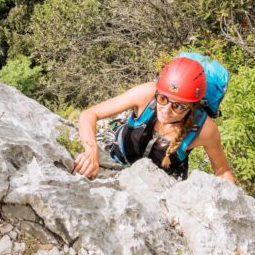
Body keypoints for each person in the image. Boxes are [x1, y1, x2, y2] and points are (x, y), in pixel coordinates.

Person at [73, 57, 236, 183]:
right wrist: (91, 149)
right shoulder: (147, 94)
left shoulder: (204, 129)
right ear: (158, 92)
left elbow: (222, 171)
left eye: (178, 106)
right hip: (116, 159)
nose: (166, 110)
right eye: (163, 99)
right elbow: (89, 115)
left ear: (192, 107)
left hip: (158, 186)